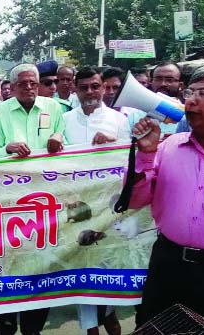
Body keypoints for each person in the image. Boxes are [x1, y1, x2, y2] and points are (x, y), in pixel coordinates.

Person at [129, 63, 204, 333]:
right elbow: (136, 201)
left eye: (202, 93)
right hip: (167, 266)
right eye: (190, 92)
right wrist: (146, 156)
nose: (190, 101)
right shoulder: (169, 146)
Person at [0, 63, 65, 335]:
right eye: (23, 83)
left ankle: (33, 327)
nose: (30, 87)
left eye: (33, 82)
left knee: (40, 265)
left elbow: (63, 141)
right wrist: (7, 148)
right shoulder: (1, 110)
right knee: (8, 263)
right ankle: (5, 323)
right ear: (12, 86)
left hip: (45, 203)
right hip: (10, 202)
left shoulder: (53, 108)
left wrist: (57, 137)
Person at [62, 68, 125, 335]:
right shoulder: (63, 120)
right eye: (84, 87)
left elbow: (129, 157)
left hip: (108, 206)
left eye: (95, 86)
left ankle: (110, 317)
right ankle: (90, 328)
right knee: (81, 267)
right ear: (76, 89)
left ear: (103, 88)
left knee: (107, 265)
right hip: (74, 206)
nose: (90, 92)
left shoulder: (118, 120)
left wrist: (115, 141)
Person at [101, 67, 145, 131]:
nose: (111, 92)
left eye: (115, 87)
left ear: (123, 87)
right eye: (107, 87)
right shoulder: (92, 110)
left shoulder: (134, 113)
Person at [149, 62, 182, 136]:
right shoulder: (135, 115)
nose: (163, 84)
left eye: (169, 80)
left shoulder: (188, 116)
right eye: (158, 79)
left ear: (180, 85)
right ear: (151, 82)